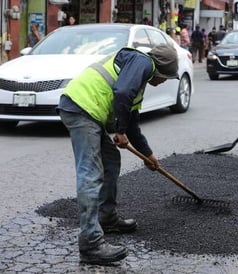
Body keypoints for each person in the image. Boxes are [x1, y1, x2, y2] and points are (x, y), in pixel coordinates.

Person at [57, 44, 179, 265]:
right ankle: (90, 245)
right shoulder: (142, 63)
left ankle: (107, 218)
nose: (164, 81)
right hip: (81, 108)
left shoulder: (137, 75)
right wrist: (120, 131)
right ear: (160, 69)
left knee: (111, 160)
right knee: (90, 173)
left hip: (87, 110)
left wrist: (148, 155)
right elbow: (121, 93)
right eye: (167, 77)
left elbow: (132, 124)